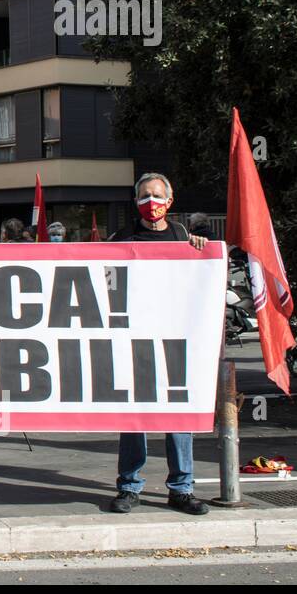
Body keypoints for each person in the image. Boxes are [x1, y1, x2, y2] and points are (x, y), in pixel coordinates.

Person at [107, 172, 210, 517]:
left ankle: (182, 489)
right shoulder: (121, 238)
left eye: (156, 195)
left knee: (178, 415)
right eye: (144, 196)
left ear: (169, 201)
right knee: (135, 416)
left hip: (175, 340)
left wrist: (200, 252)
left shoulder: (183, 237)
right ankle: (129, 486)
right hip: (134, 341)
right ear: (135, 202)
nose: (150, 202)